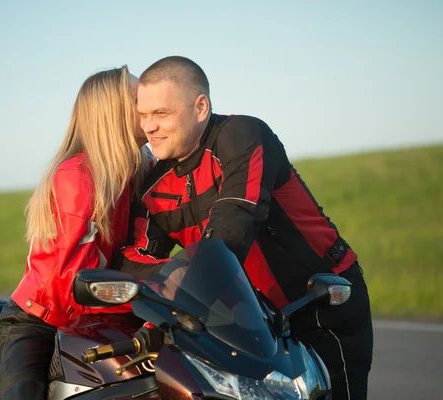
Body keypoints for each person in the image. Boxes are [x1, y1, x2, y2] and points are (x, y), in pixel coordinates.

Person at [113, 56, 373, 399]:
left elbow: (232, 226)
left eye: (161, 113)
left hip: (318, 302)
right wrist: (167, 275)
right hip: (248, 323)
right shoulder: (150, 187)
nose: (149, 127)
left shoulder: (242, 135)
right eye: (143, 115)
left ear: (200, 107)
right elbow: (132, 262)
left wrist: (182, 279)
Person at [0, 65, 150, 400]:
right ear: (114, 112)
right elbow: (72, 284)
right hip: (41, 320)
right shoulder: (78, 176)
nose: (150, 104)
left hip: (95, 315)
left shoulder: (136, 172)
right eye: (139, 98)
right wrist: (148, 298)